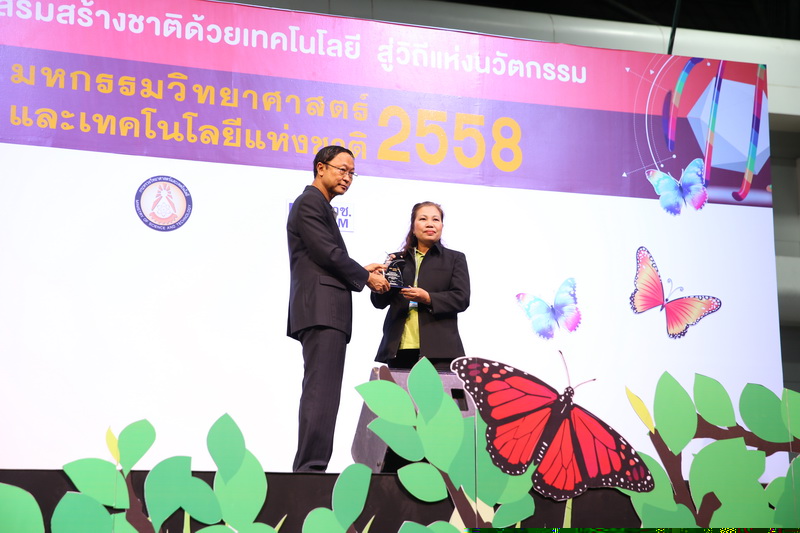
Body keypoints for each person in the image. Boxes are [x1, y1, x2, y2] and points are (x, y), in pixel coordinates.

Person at [287, 145, 389, 473]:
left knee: (324, 393)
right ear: (321, 168)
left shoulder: (321, 206)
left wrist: (361, 269)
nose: (347, 177)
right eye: (342, 169)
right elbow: (328, 254)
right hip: (321, 311)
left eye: (352, 173)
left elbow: (326, 257)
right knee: (321, 393)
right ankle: (310, 471)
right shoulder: (309, 203)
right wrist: (366, 277)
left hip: (325, 311)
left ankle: (311, 469)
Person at [371, 201, 470, 371]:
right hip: (399, 348)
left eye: (436, 219)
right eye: (423, 219)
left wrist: (428, 298)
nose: (430, 224)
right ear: (413, 227)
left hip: (440, 349)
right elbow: (379, 302)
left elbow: (461, 298)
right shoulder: (396, 260)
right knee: (399, 390)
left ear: (442, 226)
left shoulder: (455, 259)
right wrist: (378, 282)